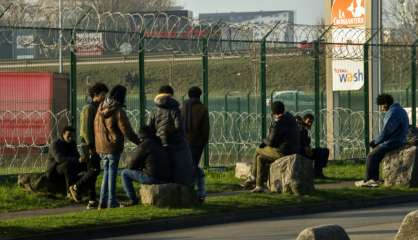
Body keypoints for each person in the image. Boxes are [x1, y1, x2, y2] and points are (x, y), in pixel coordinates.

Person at [95, 85, 141, 209]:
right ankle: (111, 202)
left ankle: (102, 202)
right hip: (113, 146)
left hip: (101, 146)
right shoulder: (118, 110)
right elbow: (127, 131)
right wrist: (140, 143)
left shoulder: (100, 107)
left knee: (106, 174)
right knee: (112, 174)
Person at [244, 101, 300, 193]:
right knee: (260, 158)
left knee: (258, 150)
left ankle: (253, 177)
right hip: (293, 149)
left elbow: (271, 142)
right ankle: (259, 186)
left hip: (284, 152)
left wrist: (263, 140)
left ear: (274, 112)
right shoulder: (290, 118)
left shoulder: (279, 122)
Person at [68, 83, 108, 209]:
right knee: (94, 170)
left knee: (92, 171)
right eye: (103, 94)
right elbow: (85, 130)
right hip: (88, 145)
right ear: (96, 94)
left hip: (95, 144)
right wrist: (91, 146)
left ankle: (92, 200)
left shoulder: (98, 107)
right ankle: (76, 187)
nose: (105, 96)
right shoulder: (88, 108)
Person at [355, 94, 409, 188]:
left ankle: (370, 180)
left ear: (385, 104)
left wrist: (375, 141)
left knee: (371, 157)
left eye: (381, 106)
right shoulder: (400, 110)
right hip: (399, 139)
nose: (381, 109)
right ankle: (374, 179)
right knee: (375, 156)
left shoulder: (393, 113)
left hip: (393, 141)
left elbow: (386, 131)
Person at [148, 85, 195, 188]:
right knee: (178, 165)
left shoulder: (154, 111)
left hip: (159, 142)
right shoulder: (175, 109)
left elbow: (150, 128)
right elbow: (179, 127)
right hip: (174, 143)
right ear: (171, 96)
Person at [120, 126, 171, 207]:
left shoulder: (145, 144)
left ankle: (133, 199)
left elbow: (130, 163)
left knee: (124, 173)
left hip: (153, 177)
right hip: (166, 177)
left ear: (141, 136)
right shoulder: (159, 143)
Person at [181, 86, 209, 201]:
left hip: (183, 142)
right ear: (199, 95)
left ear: (188, 95)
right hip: (197, 142)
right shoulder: (202, 108)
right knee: (194, 167)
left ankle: (190, 190)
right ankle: (198, 192)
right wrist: (204, 141)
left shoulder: (183, 107)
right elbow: (205, 128)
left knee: (187, 166)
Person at [46, 126, 81, 195]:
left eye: (72, 136)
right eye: (69, 135)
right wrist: (76, 159)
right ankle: (69, 192)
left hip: (68, 166)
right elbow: (59, 159)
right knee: (67, 165)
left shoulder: (72, 143)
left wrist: (82, 159)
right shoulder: (55, 144)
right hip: (54, 169)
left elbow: (77, 156)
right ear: (63, 134)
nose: (71, 138)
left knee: (88, 164)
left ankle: (86, 189)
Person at [298, 113, 330, 178]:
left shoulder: (304, 130)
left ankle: (318, 172)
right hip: (301, 151)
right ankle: (317, 173)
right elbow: (299, 143)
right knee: (321, 152)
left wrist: (309, 149)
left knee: (324, 151)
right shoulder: (300, 129)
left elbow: (306, 143)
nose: (310, 124)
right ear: (304, 120)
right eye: (308, 121)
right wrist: (306, 149)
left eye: (311, 122)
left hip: (306, 150)